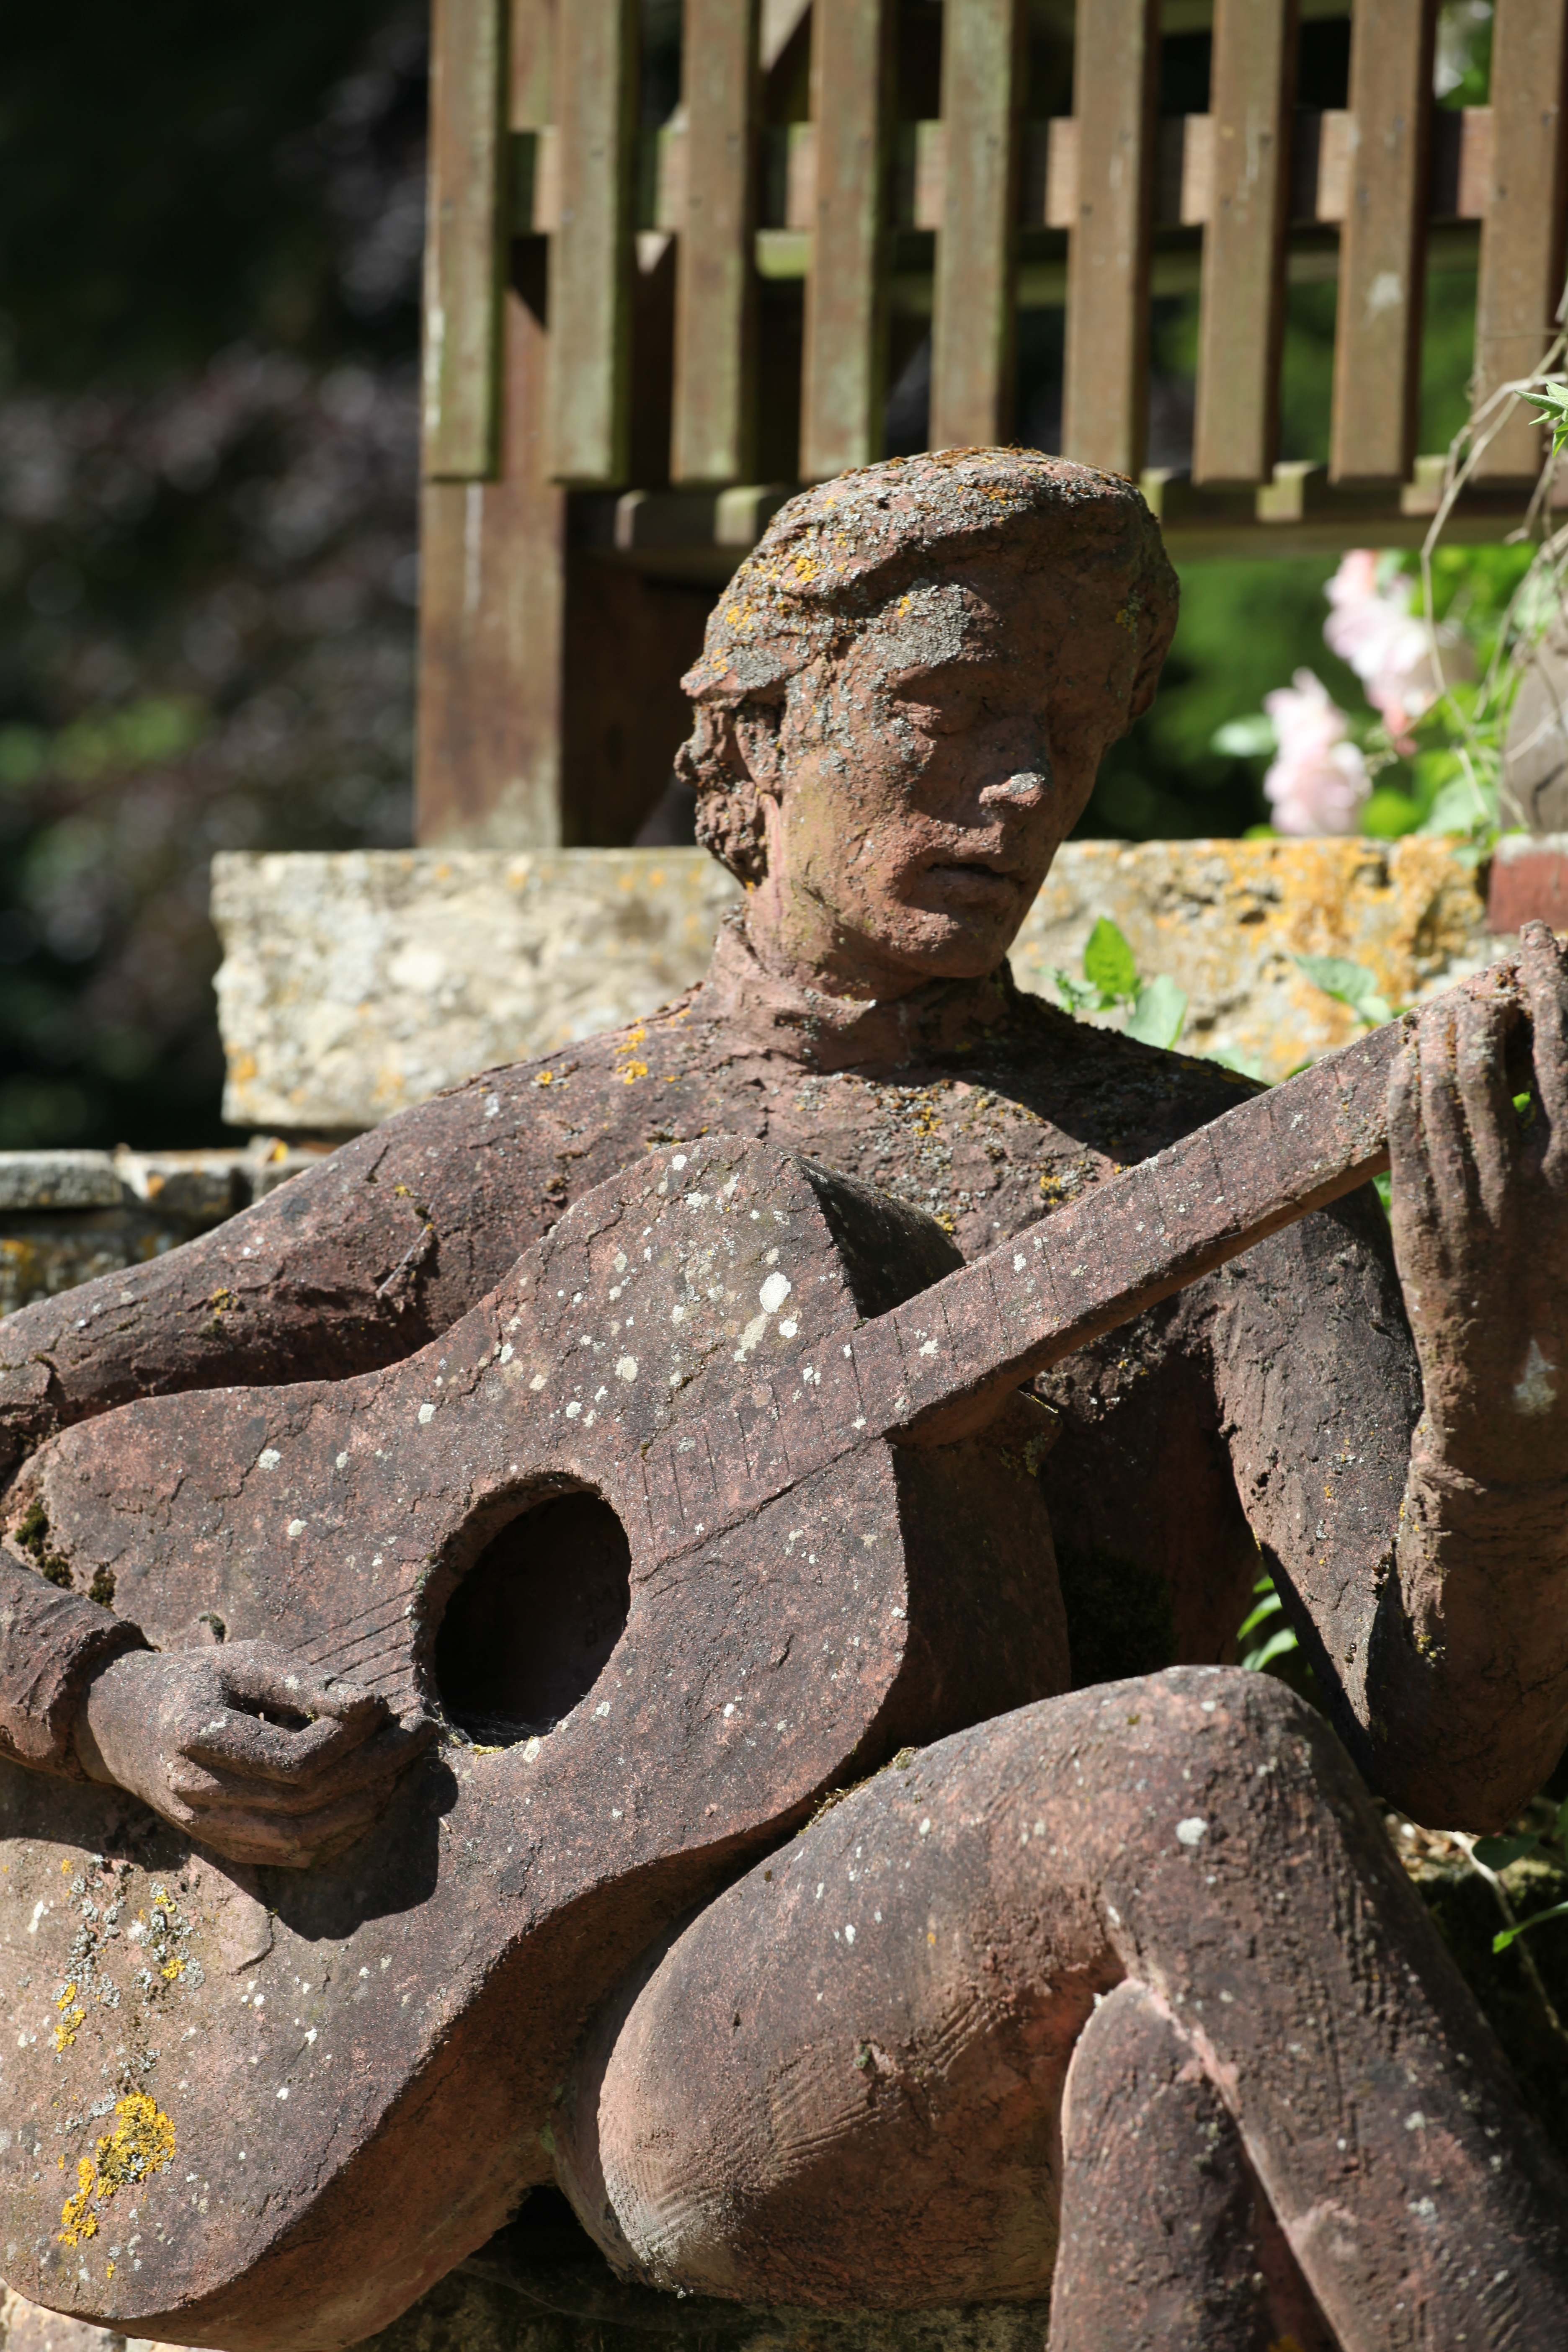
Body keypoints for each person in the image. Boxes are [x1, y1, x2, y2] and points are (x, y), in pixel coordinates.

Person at [2, 450, 1566, 2343]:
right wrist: (114, 1700)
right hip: (627, 2048)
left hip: (914, 2023)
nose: (1017, 787)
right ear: (754, 744)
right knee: (1193, 1766)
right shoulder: (536, 1149)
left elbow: (1447, 1756)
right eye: (946, 709)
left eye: (1067, 736)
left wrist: (1504, 1397)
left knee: (1174, 2053)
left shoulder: (1208, 1175)